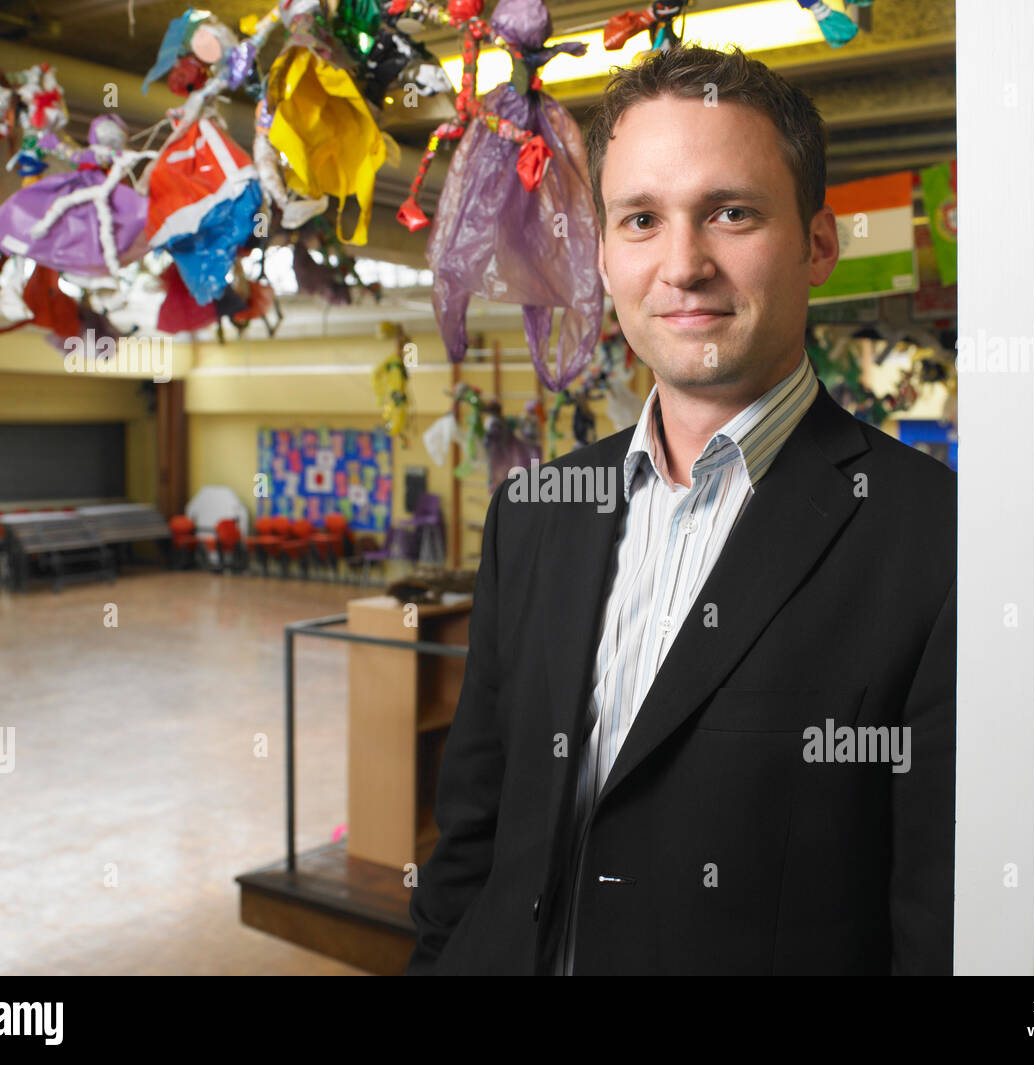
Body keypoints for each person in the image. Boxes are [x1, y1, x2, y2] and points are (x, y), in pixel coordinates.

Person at [407, 43, 956, 975]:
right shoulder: (534, 513)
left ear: (818, 243)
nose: (683, 264)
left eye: (730, 213)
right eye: (641, 220)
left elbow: (930, 925)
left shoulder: (938, 540)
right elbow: (474, 836)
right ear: (605, 253)